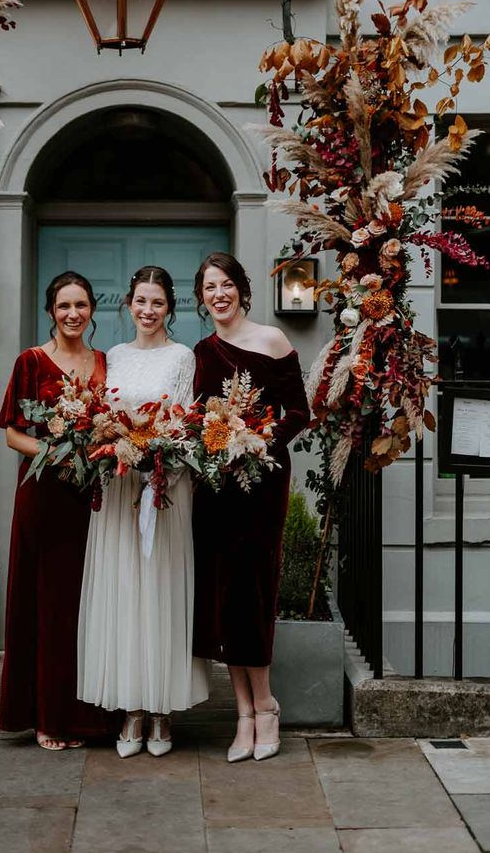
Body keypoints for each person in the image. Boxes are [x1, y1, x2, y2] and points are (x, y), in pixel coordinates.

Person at [77, 266, 209, 758]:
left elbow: (183, 424)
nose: (148, 310)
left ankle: (161, 712)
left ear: (169, 307)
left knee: (159, 591)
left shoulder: (182, 358)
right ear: (128, 305)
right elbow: (105, 417)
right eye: (140, 301)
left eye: (157, 302)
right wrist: (112, 446)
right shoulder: (113, 356)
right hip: (115, 488)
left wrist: (160, 467)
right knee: (125, 591)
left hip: (163, 487)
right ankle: (131, 710)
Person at [192, 252, 310, 763]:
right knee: (223, 596)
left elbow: (300, 412)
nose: (218, 294)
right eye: (209, 287)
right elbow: (196, 417)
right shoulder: (202, 350)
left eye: (226, 285)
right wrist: (212, 442)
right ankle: (242, 715)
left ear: (241, 288)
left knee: (254, 591)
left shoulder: (272, 340)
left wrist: (259, 439)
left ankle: (267, 706)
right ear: (201, 298)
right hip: (215, 488)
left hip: (261, 483)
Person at [0, 271, 114, 749]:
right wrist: (56, 452)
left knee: (87, 605)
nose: (73, 314)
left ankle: (88, 717)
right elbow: (12, 433)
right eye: (64, 306)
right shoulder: (31, 361)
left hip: (91, 499)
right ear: (50, 311)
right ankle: (47, 717)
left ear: (91, 311)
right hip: (44, 494)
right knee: (46, 605)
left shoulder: (104, 362)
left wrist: (99, 447)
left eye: (81, 305)